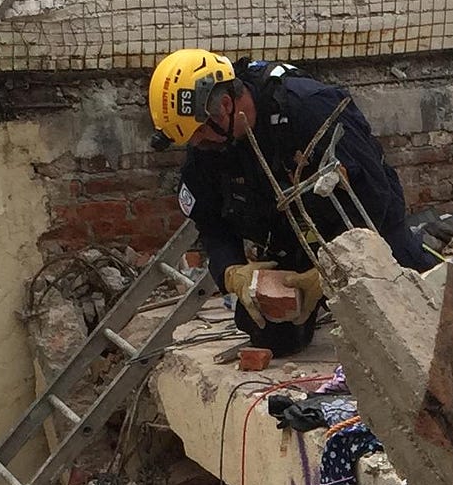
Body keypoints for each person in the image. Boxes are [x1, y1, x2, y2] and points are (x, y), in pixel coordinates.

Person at [149, 48, 437, 356]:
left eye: (200, 132)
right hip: (292, 241)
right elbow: (210, 223)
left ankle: (415, 257)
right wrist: (232, 273)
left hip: (360, 233)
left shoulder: (308, 107)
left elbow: (375, 195)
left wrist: (333, 270)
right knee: (267, 331)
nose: (197, 143)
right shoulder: (208, 146)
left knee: (418, 319)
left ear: (225, 105)